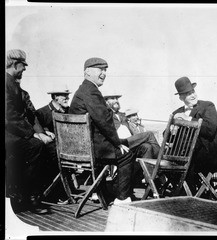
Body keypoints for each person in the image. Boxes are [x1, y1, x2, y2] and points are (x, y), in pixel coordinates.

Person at [69, 57, 134, 204]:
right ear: (87, 72)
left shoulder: (83, 90)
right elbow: (103, 120)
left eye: (105, 70)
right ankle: (122, 198)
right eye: (100, 69)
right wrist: (118, 144)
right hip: (92, 150)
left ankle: (102, 191)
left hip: (84, 147)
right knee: (127, 154)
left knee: (126, 149)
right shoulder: (91, 91)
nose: (104, 73)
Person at [5, 49, 58, 214]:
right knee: (35, 146)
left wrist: (43, 132)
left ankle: (47, 193)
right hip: (9, 134)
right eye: (23, 66)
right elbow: (9, 117)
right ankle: (28, 197)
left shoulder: (18, 89)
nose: (25, 70)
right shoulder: (6, 84)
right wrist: (34, 134)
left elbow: (31, 115)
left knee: (51, 147)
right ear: (15, 64)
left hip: (17, 133)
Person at [171, 76, 217, 194]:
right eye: (187, 93)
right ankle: (186, 193)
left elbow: (210, 130)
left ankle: (186, 193)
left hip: (208, 153)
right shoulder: (176, 113)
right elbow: (168, 136)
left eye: (193, 91)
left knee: (184, 158)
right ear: (181, 97)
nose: (193, 95)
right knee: (172, 160)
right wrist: (172, 129)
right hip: (187, 154)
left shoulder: (207, 106)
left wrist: (188, 119)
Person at [103, 93, 161, 187]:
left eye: (117, 98)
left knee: (147, 146)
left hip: (129, 143)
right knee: (149, 134)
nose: (116, 100)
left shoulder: (123, 115)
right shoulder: (105, 114)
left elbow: (130, 131)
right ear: (106, 101)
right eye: (112, 98)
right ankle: (161, 159)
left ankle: (149, 179)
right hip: (118, 143)